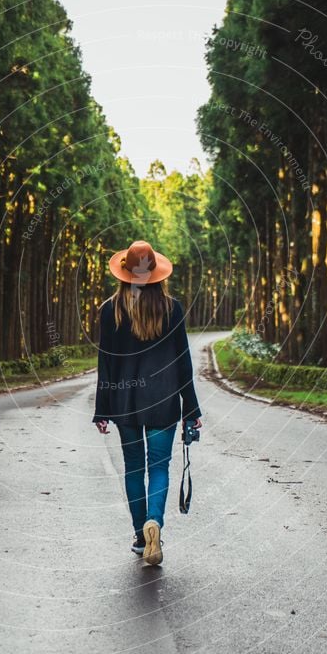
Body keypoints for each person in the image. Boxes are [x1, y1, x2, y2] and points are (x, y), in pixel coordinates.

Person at [92, 239, 202, 565]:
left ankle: (141, 535)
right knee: (158, 468)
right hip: (164, 403)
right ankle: (155, 520)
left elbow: (106, 363)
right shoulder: (173, 309)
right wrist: (191, 409)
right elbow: (183, 362)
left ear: (124, 273)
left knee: (133, 469)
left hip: (125, 404)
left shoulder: (110, 310)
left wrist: (102, 409)